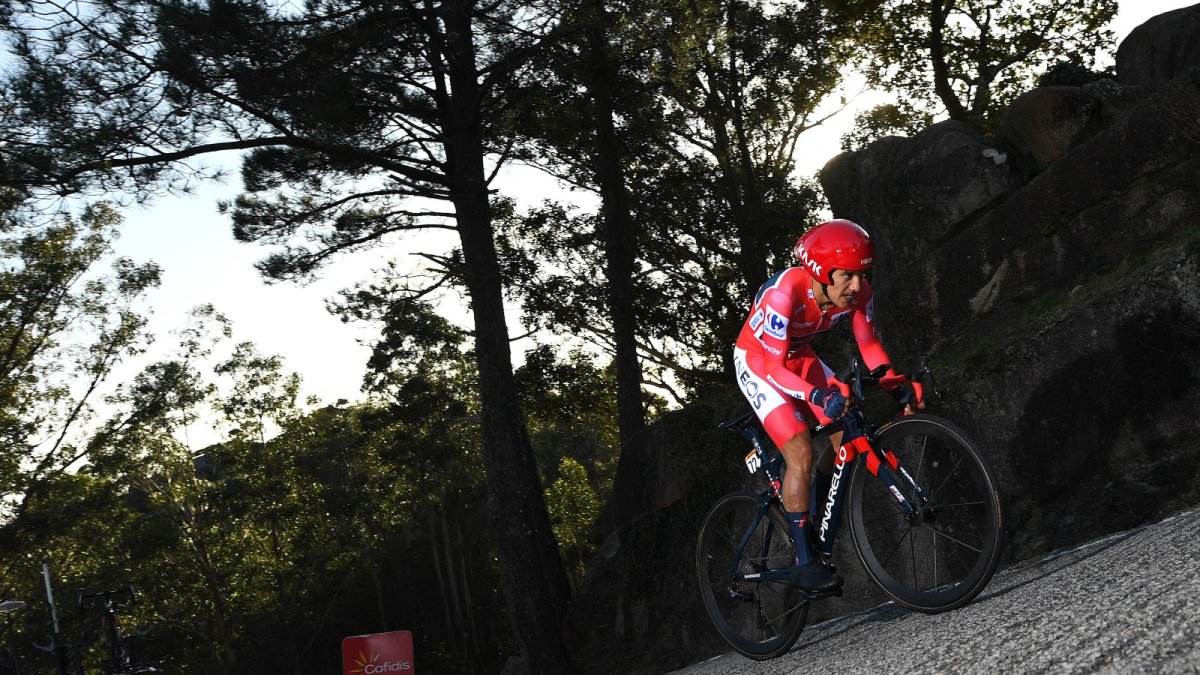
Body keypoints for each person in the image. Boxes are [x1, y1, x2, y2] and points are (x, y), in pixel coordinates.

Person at [732, 219, 923, 591]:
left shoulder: (858, 291)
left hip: (797, 356)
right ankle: (804, 562)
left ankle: (811, 507)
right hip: (757, 363)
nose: (857, 286)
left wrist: (895, 386)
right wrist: (818, 395)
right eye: (848, 276)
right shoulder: (783, 294)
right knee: (800, 451)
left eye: (862, 275)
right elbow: (770, 366)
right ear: (820, 272)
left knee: (845, 438)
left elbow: (868, 345)